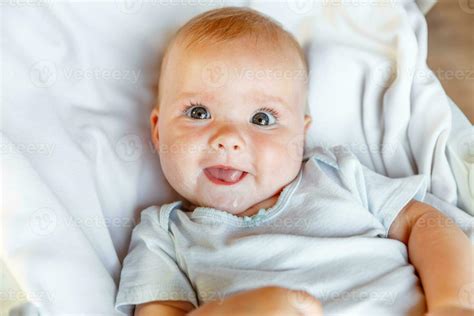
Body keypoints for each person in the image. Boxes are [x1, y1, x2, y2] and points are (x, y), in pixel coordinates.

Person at [115, 7, 473, 316]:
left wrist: (452, 302)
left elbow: (423, 223)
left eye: (261, 119)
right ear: (159, 131)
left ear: (300, 135)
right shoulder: (165, 235)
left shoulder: (336, 175)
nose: (228, 139)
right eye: (198, 112)